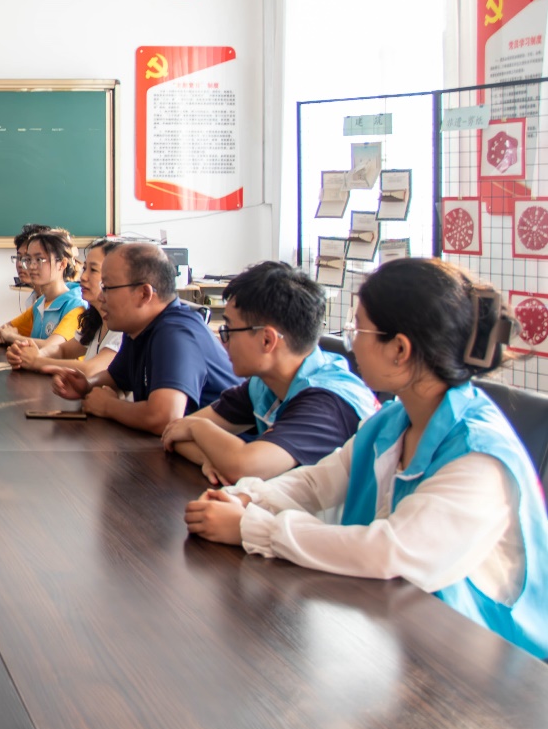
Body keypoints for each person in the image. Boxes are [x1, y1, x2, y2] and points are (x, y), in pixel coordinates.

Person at [185, 258, 548, 657]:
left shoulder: (479, 458)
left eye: (358, 328)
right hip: (397, 635)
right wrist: (247, 498)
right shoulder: (395, 419)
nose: (351, 342)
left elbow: (390, 551)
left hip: (483, 660)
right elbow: (318, 481)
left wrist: (253, 527)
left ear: (399, 349)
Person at [161, 262, 378, 485]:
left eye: (229, 330)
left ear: (267, 340)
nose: (223, 342)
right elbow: (174, 433)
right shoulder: (266, 383)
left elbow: (243, 467)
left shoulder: (326, 402)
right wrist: (211, 459)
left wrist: (198, 428)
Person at [52, 242, 239, 435]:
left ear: (144, 294)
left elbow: (163, 417)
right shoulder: (138, 328)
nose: (101, 297)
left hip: (224, 450)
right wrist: (87, 385)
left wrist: (108, 406)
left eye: (107, 288)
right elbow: (117, 378)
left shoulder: (175, 333)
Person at [8, 237, 124, 377]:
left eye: (93, 270)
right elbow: (62, 350)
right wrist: (30, 354)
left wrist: (36, 361)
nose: (83, 277)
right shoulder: (95, 321)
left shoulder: (123, 329)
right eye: (85, 268)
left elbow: (90, 369)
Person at [0, 227, 86, 353]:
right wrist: (7, 334)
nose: (31, 266)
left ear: (62, 264)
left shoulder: (76, 306)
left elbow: (52, 347)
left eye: (39, 260)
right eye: (28, 259)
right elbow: (3, 330)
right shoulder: (40, 303)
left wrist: (12, 337)